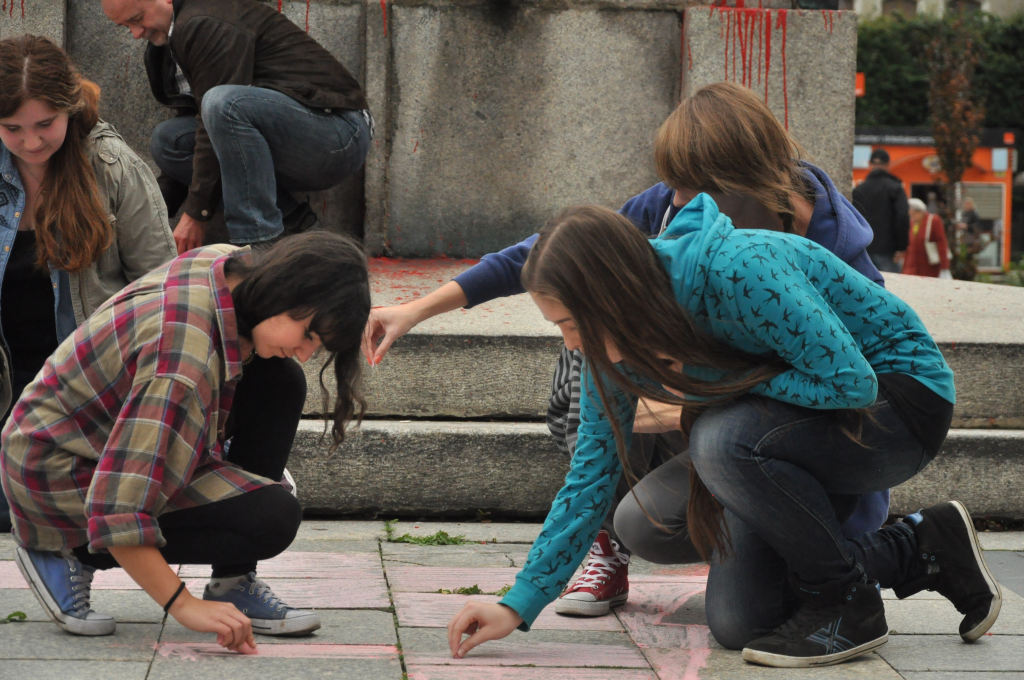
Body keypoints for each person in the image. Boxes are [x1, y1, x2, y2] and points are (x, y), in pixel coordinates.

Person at [363, 81, 890, 617]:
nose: (676, 203)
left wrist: (693, 405)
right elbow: (550, 255)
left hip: (807, 442)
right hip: (727, 433)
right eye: (672, 185)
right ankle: (611, 546)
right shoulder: (670, 211)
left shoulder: (825, 254)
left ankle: (880, 549)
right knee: (605, 351)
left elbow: (857, 390)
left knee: (750, 611)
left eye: (690, 188)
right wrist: (416, 309)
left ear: (748, 178)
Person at [446, 199, 1001, 668]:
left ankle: (846, 604)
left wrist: (712, 393)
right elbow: (589, 477)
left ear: (611, 297)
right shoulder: (613, 349)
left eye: (570, 323)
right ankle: (922, 546)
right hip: (788, 436)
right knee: (741, 623)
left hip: (899, 406)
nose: (569, 343)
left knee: (718, 436)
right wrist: (518, 604)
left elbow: (850, 383)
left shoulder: (738, 270)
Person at [0, 231, 370, 651]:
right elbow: (117, 507)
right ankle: (63, 550)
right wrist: (183, 604)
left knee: (280, 379)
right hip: (56, 470)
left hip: (101, 439)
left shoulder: (233, 267)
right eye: (308, 335)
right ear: (286, 291)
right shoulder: (183, 357)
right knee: (270, 517)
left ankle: (233, 582)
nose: (305, 351)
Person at [0, 34, 178, 533]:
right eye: (12, 128)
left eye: (44, 125)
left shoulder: (112, 165)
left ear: (69, 108)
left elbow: (161, 288)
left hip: (86, 397)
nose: (31, 143)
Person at [100, 0, 373, 252]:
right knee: (169, 140)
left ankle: (259, 246)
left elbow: (216, 116)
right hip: (293, 137)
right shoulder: (167, 46)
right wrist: (154, 212)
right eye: (126, 28)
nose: (136, 33)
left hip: (338, 134)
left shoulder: (205, 20)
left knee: (223, 103)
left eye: (137, 19)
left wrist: (196, 213)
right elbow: (202, 125)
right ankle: (293, 222)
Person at [852, 148, 910, 274]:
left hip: (864, 249)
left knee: (866, 289)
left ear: (870, 164)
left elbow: (853, 219)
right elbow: (902, 217)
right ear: (888, 165)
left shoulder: (859, 190)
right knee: (890, 287)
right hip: (888, 250)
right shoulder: (895, 188)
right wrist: (901, 247)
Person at [902, 197, 951, 278]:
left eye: (913, 214)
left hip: (929, 268)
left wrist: (944, 267)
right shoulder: (913, 223)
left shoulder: (933, 221)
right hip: (912, 268)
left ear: (920, 212)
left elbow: (941, 243)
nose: (911, 217)